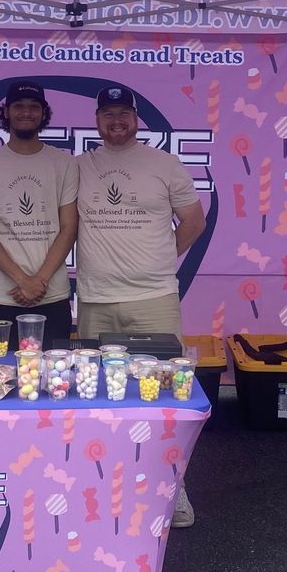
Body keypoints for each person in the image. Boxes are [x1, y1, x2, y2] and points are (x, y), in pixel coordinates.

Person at [75, 84, 206, 527]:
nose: (116, 121)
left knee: (165, 394)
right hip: (95, 298)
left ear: (136, 119)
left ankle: (173, 487)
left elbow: (194, 220)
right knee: (99, 393)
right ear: (97, 121)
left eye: (123, 114)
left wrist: (163, 258)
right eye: (107, 114)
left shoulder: (165, 164)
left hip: (154, 298)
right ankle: (100, 483)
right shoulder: (79, 167)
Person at [0, 80, 78, 351]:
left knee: (53, 373)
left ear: (43, 112)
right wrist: (23, 280)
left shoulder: (65, 163)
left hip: (52, 295)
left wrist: (39, 281)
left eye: (34, 107)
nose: (26, 112)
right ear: (6, 112)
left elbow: (69, 228)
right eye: (18, 106)